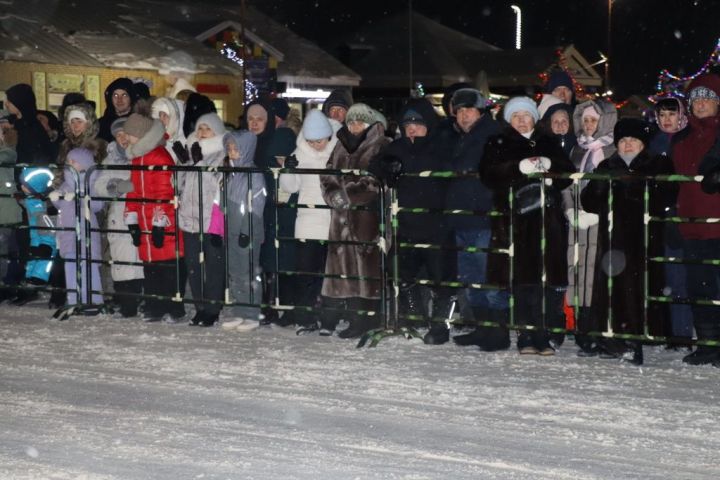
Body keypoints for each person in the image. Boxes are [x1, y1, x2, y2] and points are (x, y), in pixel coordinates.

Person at [480, 96, 575, 354]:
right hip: (514, 220)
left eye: (526, 116)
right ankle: (525, 333)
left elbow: (567, 172)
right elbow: (488, 174)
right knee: (522, 280)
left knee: (545, 279)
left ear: (534, 117)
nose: (522, 121)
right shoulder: (498, 142)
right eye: (516, 116)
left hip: (547, 220)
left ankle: (543, 332)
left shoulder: (548, 142)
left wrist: (550, 166)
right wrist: (517, 167)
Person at [581, 118, 676, 364]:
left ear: (643, 144)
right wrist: (603, 184)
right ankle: (609, 335)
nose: (628, 145)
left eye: (633, 140)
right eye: (623, 140)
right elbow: (588, 201)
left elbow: (664, 197)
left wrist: (629, 184)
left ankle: (636, 337)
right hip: (612, 240)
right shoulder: (607, 164)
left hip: (643, 239)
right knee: (611, 289)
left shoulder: (659, 164)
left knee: (638, 286)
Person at [370, 98, 456, 344]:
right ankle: (414, 316)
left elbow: (454, 173)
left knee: (442, 279)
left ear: (428, 124)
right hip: (405, 222)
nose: (412, 128)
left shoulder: (442, 146)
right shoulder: (397, 147)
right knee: (399, 270)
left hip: (436, 224)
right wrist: (386, 165)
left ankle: (441, 325)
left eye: (417, 123)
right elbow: (375, 165)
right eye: (407, 124)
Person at [320, 103, 391, 338]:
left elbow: (374, 182)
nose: (354, 126)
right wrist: (332, 195)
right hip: (340, 219)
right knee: (345, 270)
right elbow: (328, 173)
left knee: (367, 269)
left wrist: (347, 195)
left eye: (359, 121)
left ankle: (368, 319)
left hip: (367, 218)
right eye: (351, 121)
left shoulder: (380, 145)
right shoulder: (340, 145)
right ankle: (353, 317)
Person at [440, 88, 502, 347]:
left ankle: (497, 332)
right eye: (460, 111)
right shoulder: (460, 137)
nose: (464, 116)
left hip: (482, 217)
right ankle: (482, 327)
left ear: (481, 112)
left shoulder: (491, 135)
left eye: (470, 110)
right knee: (470, 277)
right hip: (463, 217)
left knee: (487, 275)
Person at [563, 99, 617, 356]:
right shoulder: (576, 150)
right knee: (577, 271)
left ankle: (598, 329)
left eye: (593, 120)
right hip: (577, 219)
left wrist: (600, 212)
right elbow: (566, 182)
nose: (588, 125)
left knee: (596, 274)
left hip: (601, 222)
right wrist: (570, 209)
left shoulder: (612, 150)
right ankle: (582, 328)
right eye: (584, 120)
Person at [279, 109, 341, 333]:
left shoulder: (336, 152)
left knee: (329, 276)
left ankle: (328, 319)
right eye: (312, 140)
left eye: (321, 140)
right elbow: (290, 187)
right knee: (306, 274)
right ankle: (305, 317)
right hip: (306, 221)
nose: (316, 145)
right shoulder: (299, 152)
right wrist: (288, 169)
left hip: (332, 222)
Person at [673, 73, 720, 365]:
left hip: (718, 223)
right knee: (699, 287)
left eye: (708, 98)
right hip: (691, 225)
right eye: (696, 99)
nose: (701, 104)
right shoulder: (681, 137)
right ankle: (707, 344)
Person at [123, 113, 186, 323]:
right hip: (144, 221)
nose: (127, 138)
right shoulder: (137, 158)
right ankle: (155, 306)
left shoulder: (160, 157)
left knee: (168, 268)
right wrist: (131, 219)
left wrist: (160, 223)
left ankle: (174, 307)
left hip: (160, 223)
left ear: (140, 135)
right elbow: (132, 192)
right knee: (150, 267)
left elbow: (165, 193)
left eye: (130, 134)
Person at [244, 99, 297, 325]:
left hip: (277, 205)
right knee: (264, 255)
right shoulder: (247, 142)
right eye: (250, 119)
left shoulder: (280, 138)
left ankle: (280, 304)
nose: (254, 123)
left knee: (278, 255)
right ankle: (267, 304)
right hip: (258, 205)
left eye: (260, 119)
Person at [647, 97, 693, 345]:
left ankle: (684, 331)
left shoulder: (689, 139)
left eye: (671, 114)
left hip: (684, 214)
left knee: (684, 277)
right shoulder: (653, 144)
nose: (667, 120)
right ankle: (670, 330)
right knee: (667, 275)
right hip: (660, 217)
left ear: (681, 115)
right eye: (662, 115)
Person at [178, 113, 227, 327]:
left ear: (216, 131)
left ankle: (213, 308)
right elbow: (180, 185)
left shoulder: (222, 155)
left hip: (210, 219)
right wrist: (183, 164)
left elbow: (217, 186)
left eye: (207, 128)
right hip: (189, 217)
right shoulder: (192, 153)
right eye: (199, 128)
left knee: (213, 266)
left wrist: (199, 165)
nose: (201, 132)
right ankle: (200, 306)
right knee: (193, 265)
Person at [93, 118, 145, 317]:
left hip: (141, 215)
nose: (123, 138)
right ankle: (127, 302)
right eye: (118, 135)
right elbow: (99, 185)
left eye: (125, 133)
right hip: (119, 217)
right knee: (122, 261)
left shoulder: (143, 155)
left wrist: (131, 186)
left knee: (141, 260)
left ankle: (143, 299)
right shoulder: (111, 158)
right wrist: (121, 186)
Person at [219, 130, 266, 331]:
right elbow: (224, 204)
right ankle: (239, 309)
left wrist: (247, 229)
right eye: (229, 148)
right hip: (232, 230)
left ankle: (252, 313)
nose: (231, 152)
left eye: (235, 148)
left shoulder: (253, 174)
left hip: (248, 232)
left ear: (246, 150)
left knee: (248, 272)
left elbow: (256, 204)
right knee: (235, 271)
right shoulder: (232, 173)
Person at [49, 148, 104, 308]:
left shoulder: (91, 182)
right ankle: (75, 300)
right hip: (68, 231)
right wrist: (57, 197)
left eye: (74, 161)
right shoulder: (67, 184)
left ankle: (94, 299)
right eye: (69, 161)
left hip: (86, 231)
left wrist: (81, 197)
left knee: (89, 265)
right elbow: (61, 203)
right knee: (71, 265)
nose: (70, 164)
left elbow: (97, 204)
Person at [0, 125, 23, 303]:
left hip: (6, 210)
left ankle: (7, 285)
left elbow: (8, 157)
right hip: (5, 209)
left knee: (7, 248)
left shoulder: (9, 152)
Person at [98, 78, 137, 142]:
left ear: (131, 98)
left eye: (124, 95)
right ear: (110, 99)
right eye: (115, 95)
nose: (119, 100)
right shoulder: (101, 125)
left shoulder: (140, 123)